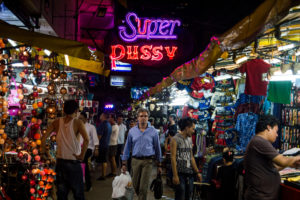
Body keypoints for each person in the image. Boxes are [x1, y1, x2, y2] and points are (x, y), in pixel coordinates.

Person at [41, 100, 89, 200]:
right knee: (78, 194)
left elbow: (44, 136)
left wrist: (43, 151)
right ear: (76, 110)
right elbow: (87, 139)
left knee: (62, 194)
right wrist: (82, 155)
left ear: (64, 109)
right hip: (73, 163)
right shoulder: (77, 122)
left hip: (60, 163)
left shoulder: (57, 122)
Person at [244, 114, 300, 200]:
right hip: (260, 197)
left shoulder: (258, 141)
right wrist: (296, 158)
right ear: (268, 127)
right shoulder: (260, 141)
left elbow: (273, 167)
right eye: (276, 131)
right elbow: (282, 161)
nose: (277, 135)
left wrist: (292, 164)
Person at [121, 108, 162, 200]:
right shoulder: (132, 131)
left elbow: (157, 148)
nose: (143, 118)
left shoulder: (153, 131)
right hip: (135, 161)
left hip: (148, 162)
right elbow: (127, 147)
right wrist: (124, 163)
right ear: (137, 118)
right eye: (141, 116)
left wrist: (159, 164)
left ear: (148, 118)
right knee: (134, 185)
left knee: (143, 187)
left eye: (145, 116)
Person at [170, 117, 201, 200]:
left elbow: (191, 157)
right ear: (187, 128)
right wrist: (175, 175)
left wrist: (197, 172)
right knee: (180, 196)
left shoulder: (189, 139)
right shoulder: (175, 139)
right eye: (193, 129)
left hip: (189, 174)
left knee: (188, 196)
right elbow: (172, 158)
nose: (193, 131)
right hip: (180, 174)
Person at [78, 112, 99, 192]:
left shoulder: (91, 127)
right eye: (79, 118)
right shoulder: (76, 126)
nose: (79, 120)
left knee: (84, 162)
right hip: (78, 148)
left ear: (86, 119)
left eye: (81, 118)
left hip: (88, 148)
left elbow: (95, 139)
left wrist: (96, 149)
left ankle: (88, 184)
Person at [96, 112, 112, 180]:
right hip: (106, 144)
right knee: (104, 160)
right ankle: (103, 174)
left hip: (102, 145)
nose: (100, 116)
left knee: (103, 161)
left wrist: (96, 146)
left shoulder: (102, 125)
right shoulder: (108, 124)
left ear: (103, 116)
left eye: (101, 115)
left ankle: (103, 175)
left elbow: (99, 136)